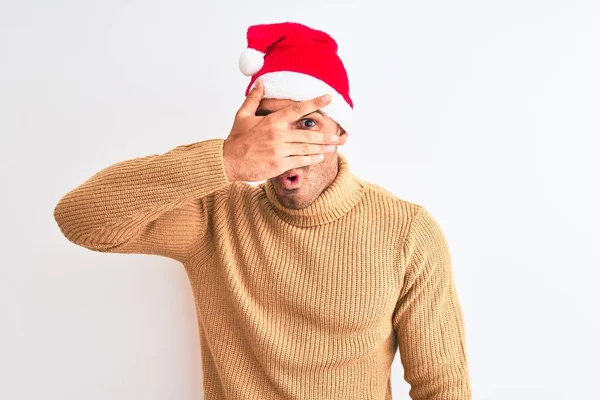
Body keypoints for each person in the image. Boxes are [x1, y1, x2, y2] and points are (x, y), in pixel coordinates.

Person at [53, 21, 472, 400]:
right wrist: (227, 160)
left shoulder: (408, 231)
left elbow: (442, 386)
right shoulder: (213, 217)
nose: (282, 144)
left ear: (340, 131)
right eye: (267, 123)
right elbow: (80, 220)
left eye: (307, 123)